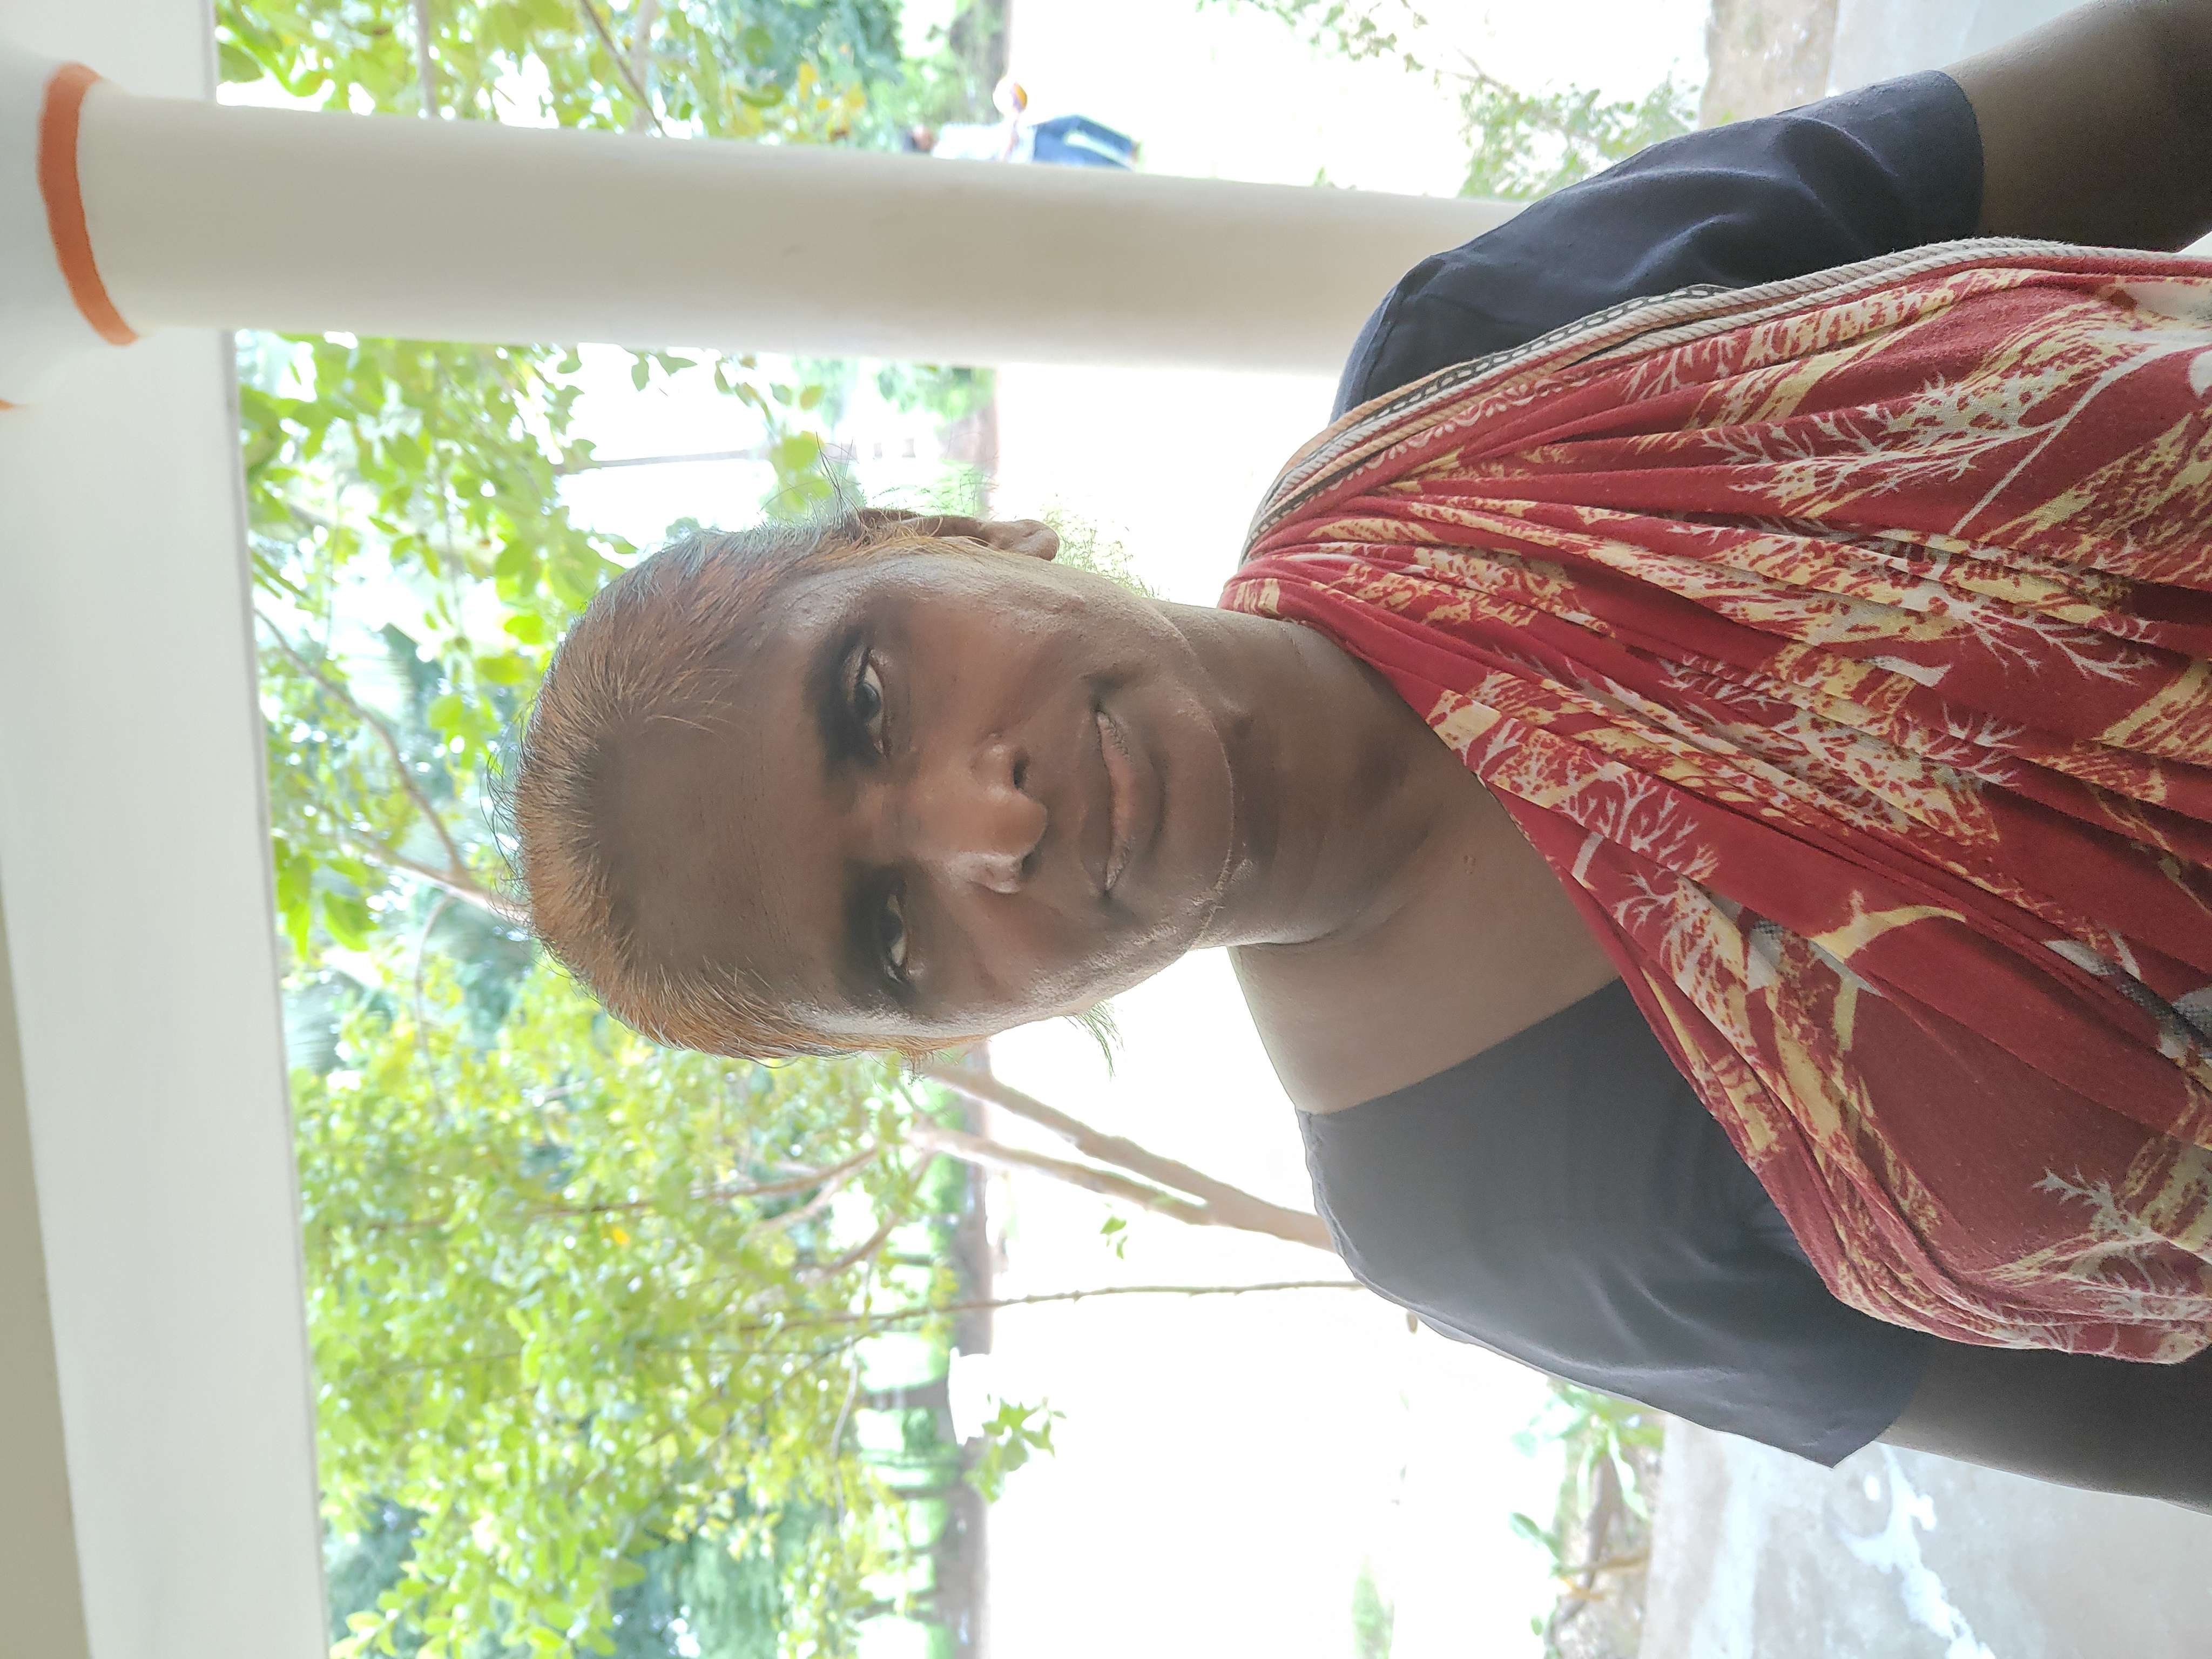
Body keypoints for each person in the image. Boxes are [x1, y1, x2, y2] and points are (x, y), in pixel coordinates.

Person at [513, 1, 2212, 1507]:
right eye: (892, 933)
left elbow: (2161, 84)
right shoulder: (1481, 1210)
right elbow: (2162, 1420)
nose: (986, 827)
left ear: (947, 534)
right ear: (963, 1025)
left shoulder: (1483, 363)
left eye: (872, 699)